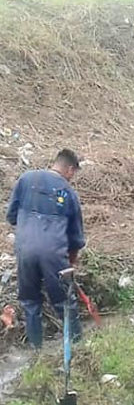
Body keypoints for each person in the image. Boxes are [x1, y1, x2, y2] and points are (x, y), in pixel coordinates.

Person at [6, 148, 85, 349]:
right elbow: (75, 239)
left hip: (24, 251)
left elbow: (11, 216)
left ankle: (36, 353)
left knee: (30, 302)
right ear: (69, 169)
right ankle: (78, 350)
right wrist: (71, 264)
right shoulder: (68, 192)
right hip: (53, 254)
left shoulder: (25, 179)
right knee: (65, 303)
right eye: (73, 173)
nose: (72, 177)